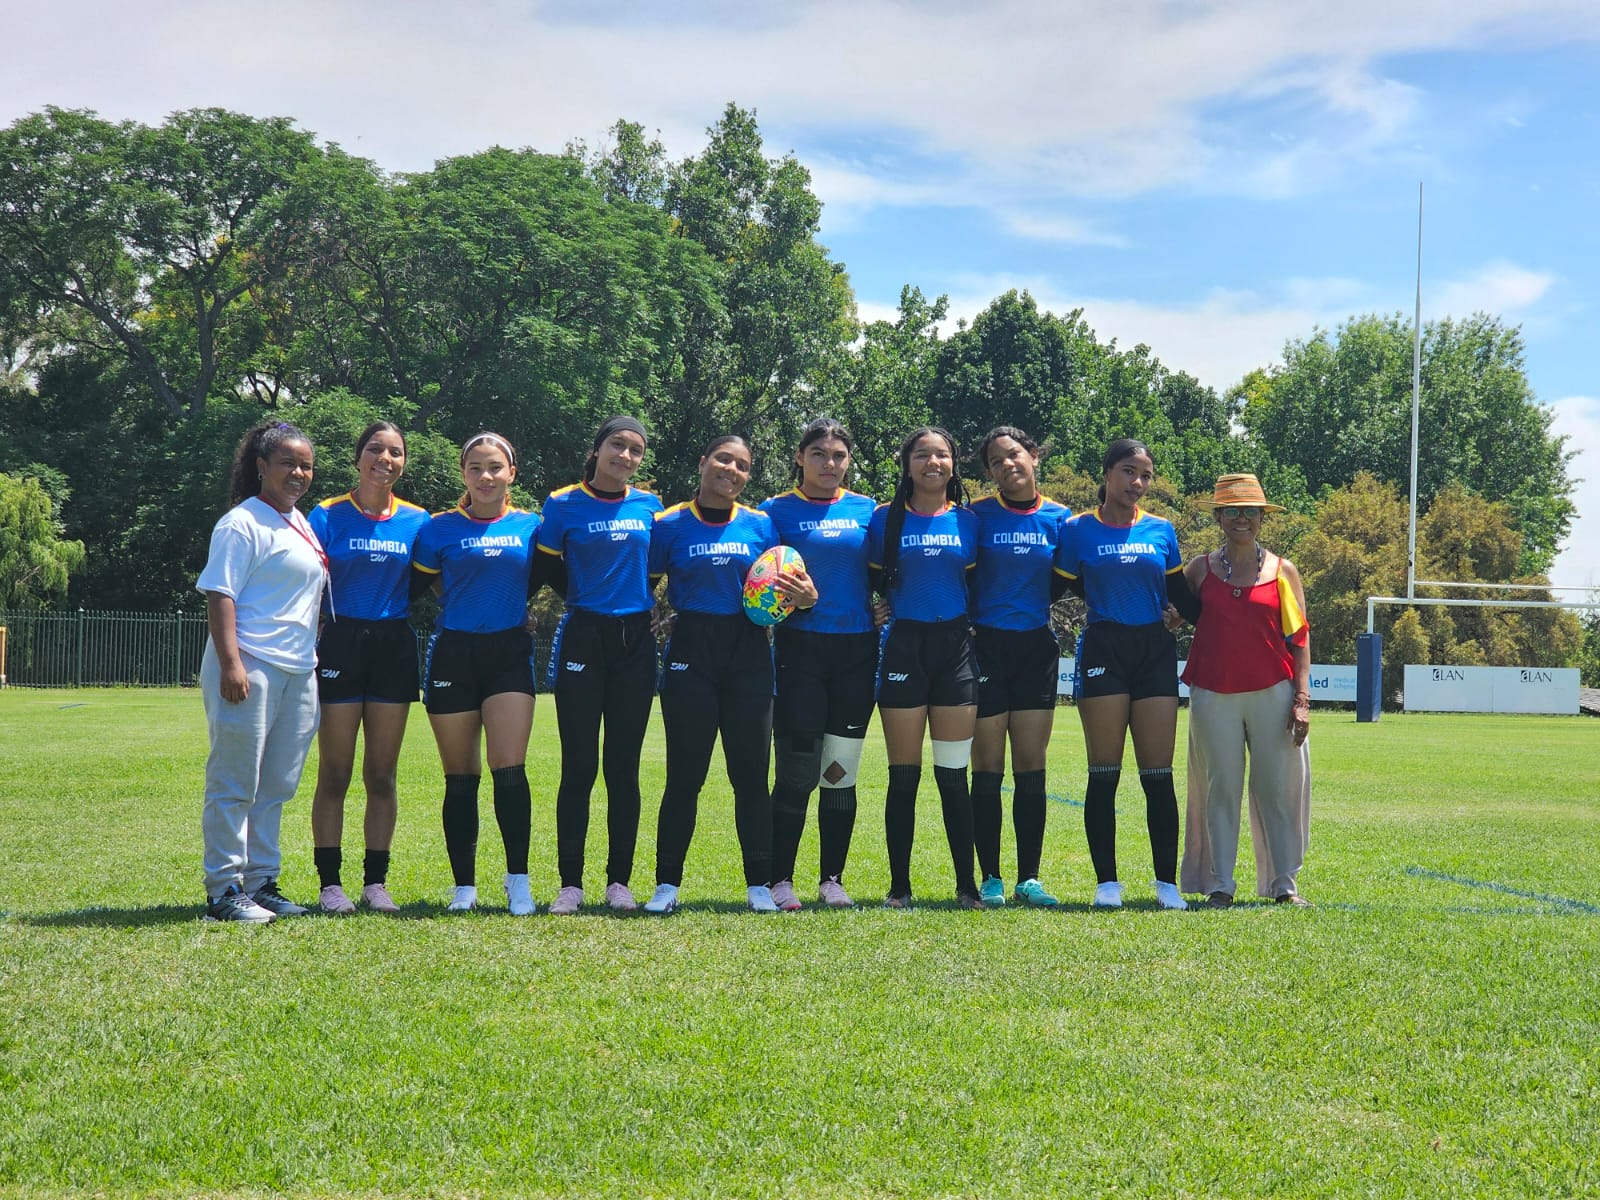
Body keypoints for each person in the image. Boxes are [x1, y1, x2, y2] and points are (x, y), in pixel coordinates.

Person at [643, 435, 817, 914]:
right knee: (685, 776)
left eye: (742, 465)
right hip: (691, 653)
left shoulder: (762, 525)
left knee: (750, 776)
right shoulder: (668, 524)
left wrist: (805, 597)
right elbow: (645, 587)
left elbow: (787, 593)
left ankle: (758, 884)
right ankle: (667, 885)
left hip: (748, 655)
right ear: (703, 463)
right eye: (723, 459)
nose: (731, 470)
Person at [1053, 438, 1194, 910]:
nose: (1138, 483)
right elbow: (1052, 587)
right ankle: (1106, 884)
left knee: (1158, 774)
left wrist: (1181, 615)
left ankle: (1166, 885)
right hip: (1104, 648)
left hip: (1153, 651)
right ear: (1108, 473)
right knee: (1104, 773)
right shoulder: (1076, 531)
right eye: (1129, 472)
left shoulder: (1161, 530)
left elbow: (1184, 599)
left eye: (1146, 475)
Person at [196, 421, 325, 922]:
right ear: (261, 467)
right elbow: (220, 592)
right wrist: (231, 663)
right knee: (235, 781)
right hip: (250, 664)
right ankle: (223, 890)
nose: (298, 472)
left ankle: (261, 880)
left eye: (306, 465)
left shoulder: (299, 521)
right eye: (288, 462)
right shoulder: (241, 522)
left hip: (298, 669)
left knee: (277, 784)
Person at [534, 415, 662, 914]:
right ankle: (570, 884)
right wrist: (585, 601)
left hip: (636, 642)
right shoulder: (563, 503)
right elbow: (545, 566)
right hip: (584, 636)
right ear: (598, 448)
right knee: (579, 766)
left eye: (635, 450)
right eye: (617, 445)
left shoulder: (650, 507)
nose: (625, 456)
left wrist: (647, 608)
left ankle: (619, 882)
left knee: (623, 768)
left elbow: (657, 569)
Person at [411, 432, 541, 915]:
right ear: (463, 474)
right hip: (453, 654)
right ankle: (463, 886)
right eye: (475, 468)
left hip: (508, 654)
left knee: (509, 769)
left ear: (512, 473)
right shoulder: (437, 529)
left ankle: (518, 881)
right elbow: (410, 585)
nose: (485, 477)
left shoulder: (533, 526)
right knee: (460, 777)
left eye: (495, 467)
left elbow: (550, 577)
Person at [305, 422, 430, 914]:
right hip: (340, 643)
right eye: (375, 449)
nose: (385, 458)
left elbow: (436, 579)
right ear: (357, 459)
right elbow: (307, 583)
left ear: (403, 462)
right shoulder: (327, 514)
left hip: (394, 646)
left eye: (395, 452)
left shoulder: (418, 521)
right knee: (334, 772)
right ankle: (330, 884)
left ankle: (375, 883)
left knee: (382, 774)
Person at [1177, 474, 1312, 907]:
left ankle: (1283, 885)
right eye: (1232, 510)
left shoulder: (1283, 571)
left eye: (1250, 511)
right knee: (1220, 788)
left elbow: (1301, 640)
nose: (1242, 518)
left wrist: (1302, 700)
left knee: (1277, 788)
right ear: (1218, 517)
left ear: (1261, 517)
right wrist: (1172, 618)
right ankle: (1220, 884)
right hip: (1213, 694)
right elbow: (1178, 613)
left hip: (1273, 692)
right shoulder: (1198, 569)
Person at [761, 418, 879, 910]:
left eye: (838, 456)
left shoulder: (869, 511)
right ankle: (779, 880)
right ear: (799, 457)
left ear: (848, 461)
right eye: (818, 455)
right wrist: (798, 601)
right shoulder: (774, 512)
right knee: (797, 769)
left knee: (840, 771)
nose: (829, 464)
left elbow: (885, 570)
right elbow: (759, 588)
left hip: (857, 653)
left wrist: (885, 603)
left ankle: (832, 879)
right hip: (800, 653)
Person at [868, 426, 983, 909]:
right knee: (904, 775)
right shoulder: (882, 520)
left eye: (941, 455)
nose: (932, 463)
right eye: (921, 455)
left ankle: (966, 887)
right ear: (906, 464)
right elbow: (870, 584)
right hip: (904, 650)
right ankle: (899, 887)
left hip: (955, 649)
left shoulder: (970, 521)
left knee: (955, 775)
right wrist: (876, 609)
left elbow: (978, 587)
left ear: (953, 464)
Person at [968, 426, 1072, 907]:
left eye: (1013, 455)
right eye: (995, 461)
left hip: (1035, 651)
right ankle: (990, 876)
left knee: (1031, 764)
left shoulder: (1061, 519)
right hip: (984, 648)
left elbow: (1072, 581)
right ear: (988, 472)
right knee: (987, 766)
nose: (1006, 465)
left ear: (1033, 456)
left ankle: (1029, 878)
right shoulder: (976, 516)